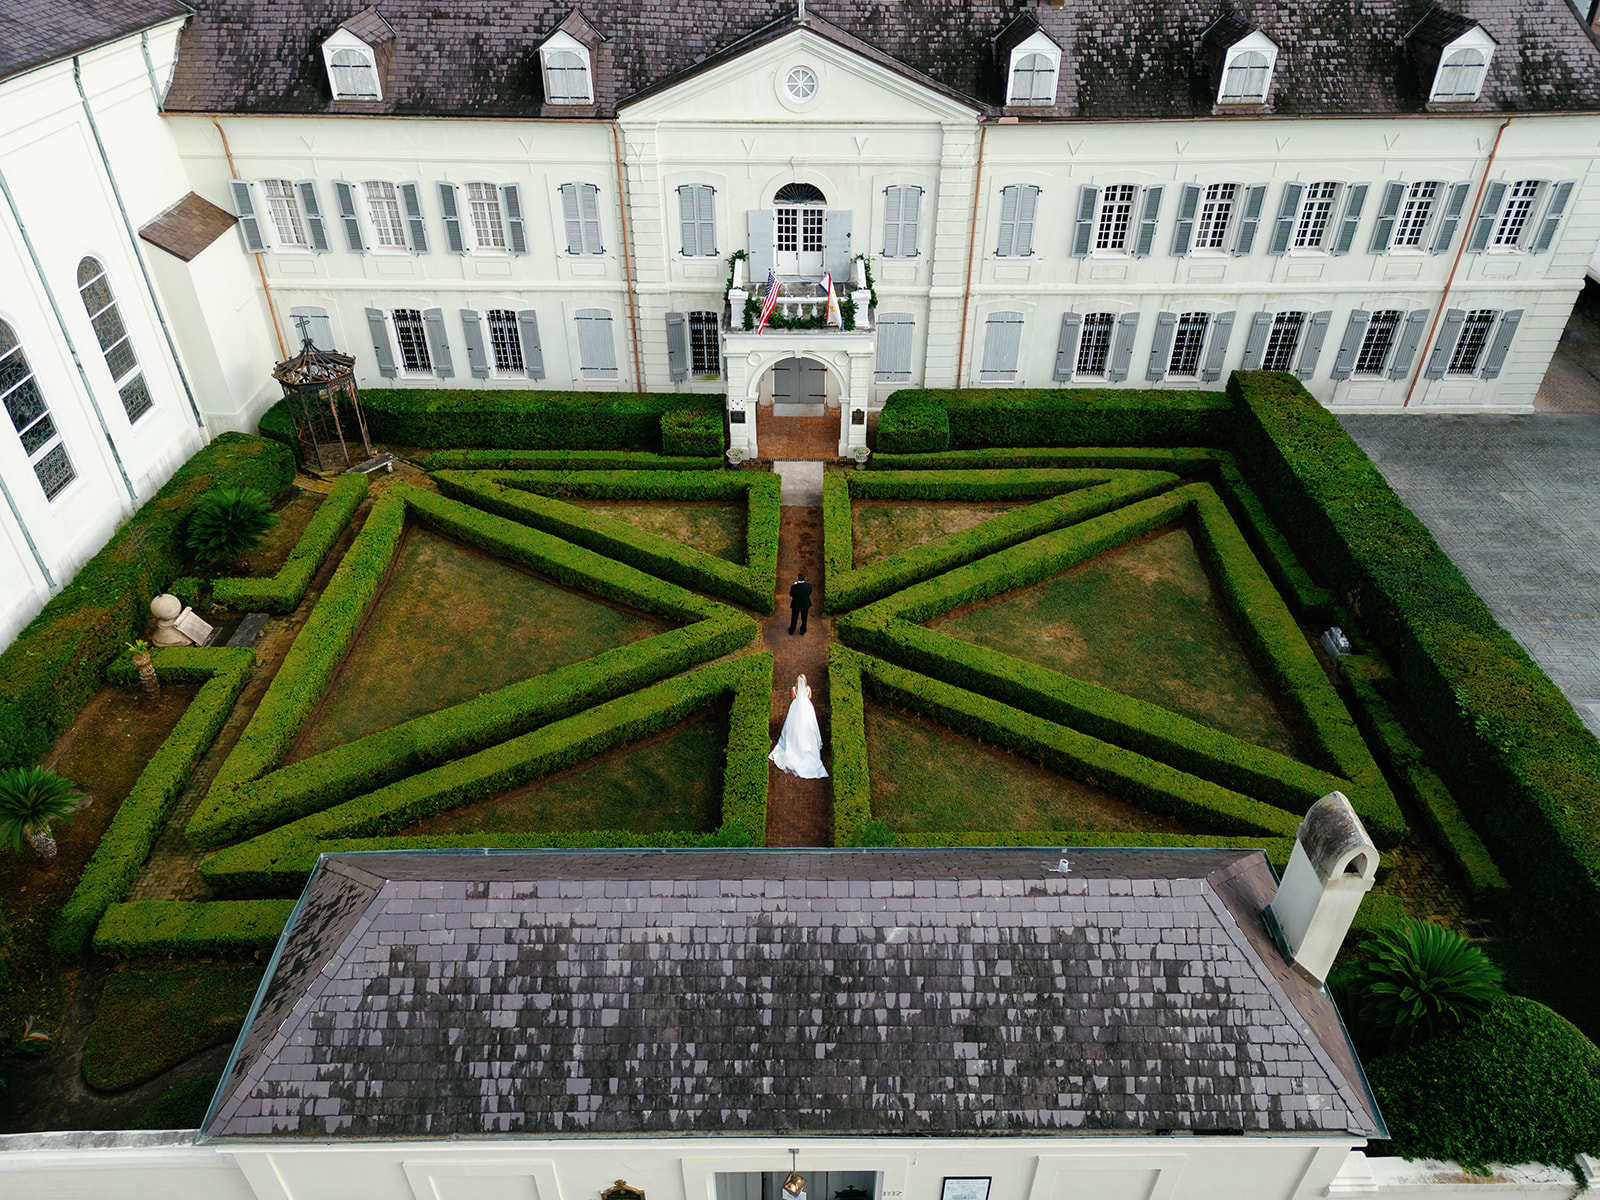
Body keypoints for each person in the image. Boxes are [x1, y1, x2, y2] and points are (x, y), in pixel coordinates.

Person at [769, 674, 828, 778]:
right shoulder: (808, 688)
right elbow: (809, 697)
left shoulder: (793, 689)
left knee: (794, 725)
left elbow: (793, 697)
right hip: (807, 708)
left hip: (795, 707)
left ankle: (794, 744)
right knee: (808, 725)